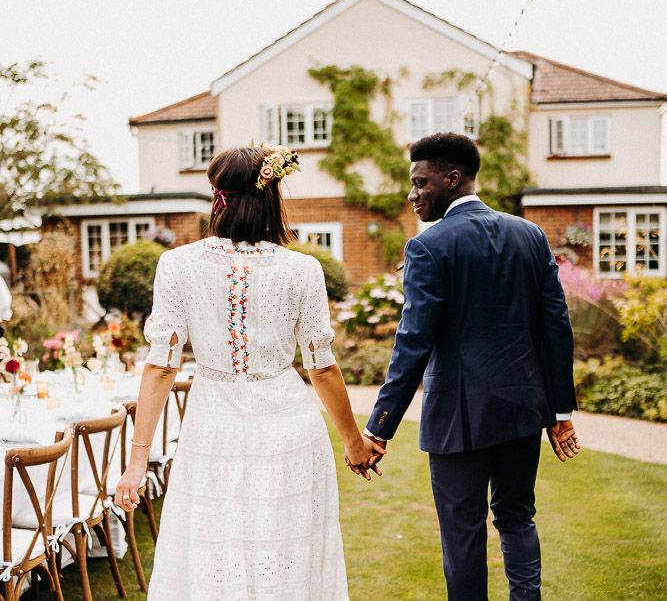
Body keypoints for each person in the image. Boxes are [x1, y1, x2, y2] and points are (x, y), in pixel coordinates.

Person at [115, 145, 384, 600]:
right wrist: (353, 441)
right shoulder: (302, 269)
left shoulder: (177, 264)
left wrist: (137, 460)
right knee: (288, 555)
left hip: (215, 428)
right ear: (271, 197)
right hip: (286, 430)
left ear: (217, 196)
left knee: (213, 553)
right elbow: (321, 367)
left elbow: (162, 365)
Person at [364, 133, 580, 601]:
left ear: (452, 178)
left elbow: (413, 341)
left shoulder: (428, 246)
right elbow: (556, 327)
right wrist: (559, 411)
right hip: (524, 409)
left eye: (420, 183)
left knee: (463, 535)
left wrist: (380, 427)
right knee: (518, 517)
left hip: (458, 417)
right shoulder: (530, 234)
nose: (413, 194)